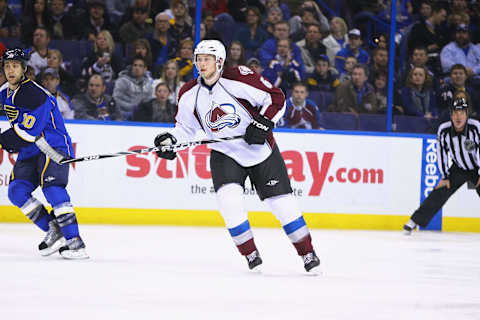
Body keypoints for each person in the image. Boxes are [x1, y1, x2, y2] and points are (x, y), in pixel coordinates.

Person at [152, 39, 321, 272]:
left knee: (282, 205)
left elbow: (275, 97)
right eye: (199, 59)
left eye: (207, 59)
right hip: (225, 152)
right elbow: (185, 129)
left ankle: (307, 253)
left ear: (219, 62)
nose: (201, 64)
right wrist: (171, 141)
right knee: (229, 202)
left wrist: (262, 123)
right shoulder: (189, 93)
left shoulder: (239, 77)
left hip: (260, 151)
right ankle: (250, 254)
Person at [0, 48, 88, 259]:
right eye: (7, 66)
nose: (11, 70)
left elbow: (29, 131)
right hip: (30, 149)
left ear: (24, 69)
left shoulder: (34, 94)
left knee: (52, 188)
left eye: (15, 66)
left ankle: (75, 242)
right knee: (16, 191)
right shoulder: (4, 92)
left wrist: (3, 140)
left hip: (52, 145)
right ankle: (53, 228)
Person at [403, 97, 480, 235]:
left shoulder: (476, 127)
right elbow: (441, 153)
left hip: (477, 168)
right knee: (440, 191)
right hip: (459, 168)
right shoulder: (444, 130)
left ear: (467, 114)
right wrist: (445, 176)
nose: (458, 116)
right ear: (451, 114)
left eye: (462, 112)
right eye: (455, 112)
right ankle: (414, 221)